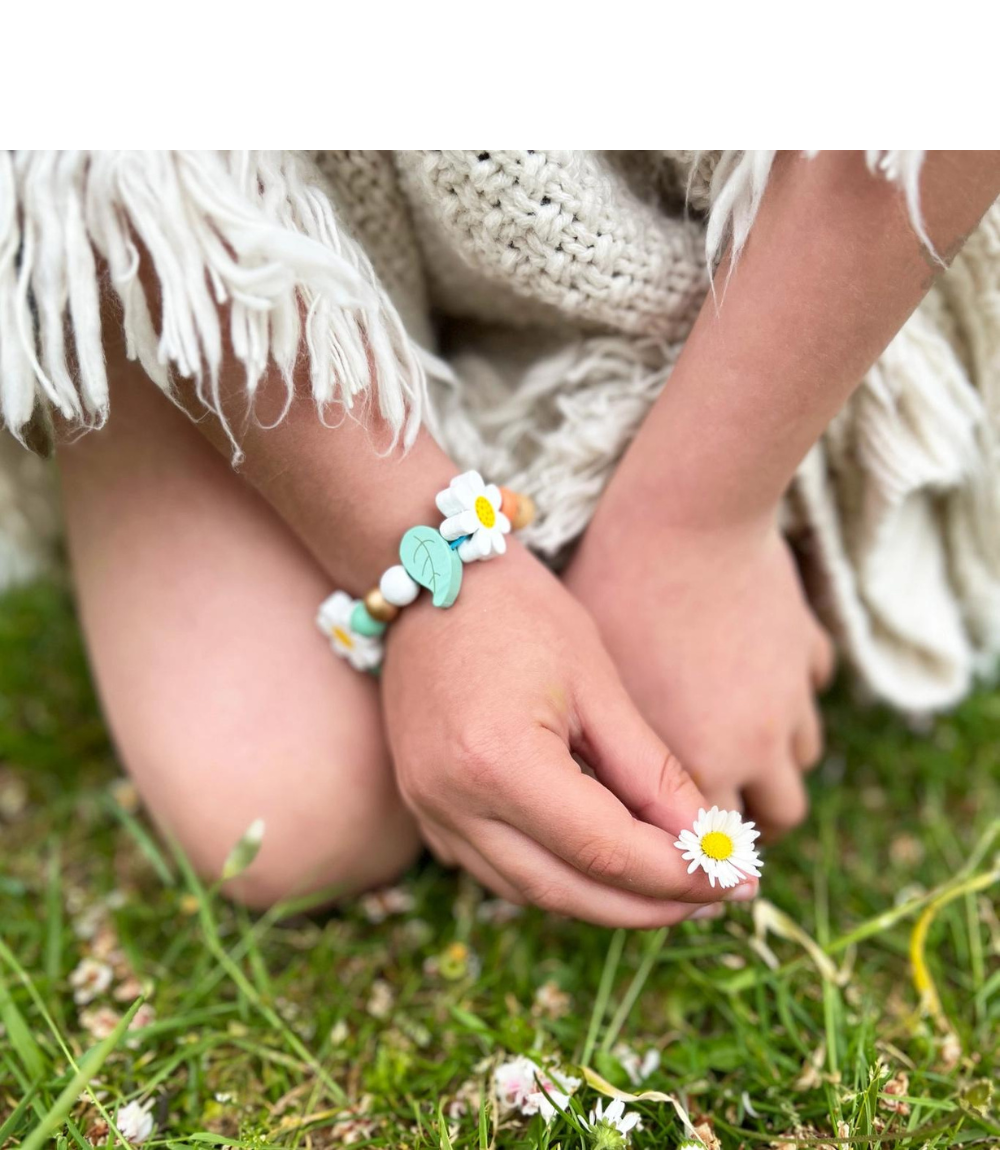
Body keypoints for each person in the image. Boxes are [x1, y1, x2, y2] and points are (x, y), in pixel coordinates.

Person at [3, 150, 999, 921]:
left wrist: (695, 524)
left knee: (673, 670)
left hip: (731, 230)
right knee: (288, 817)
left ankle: (705, 441)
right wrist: (426, 562)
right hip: (255, 243)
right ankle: (138, 326)